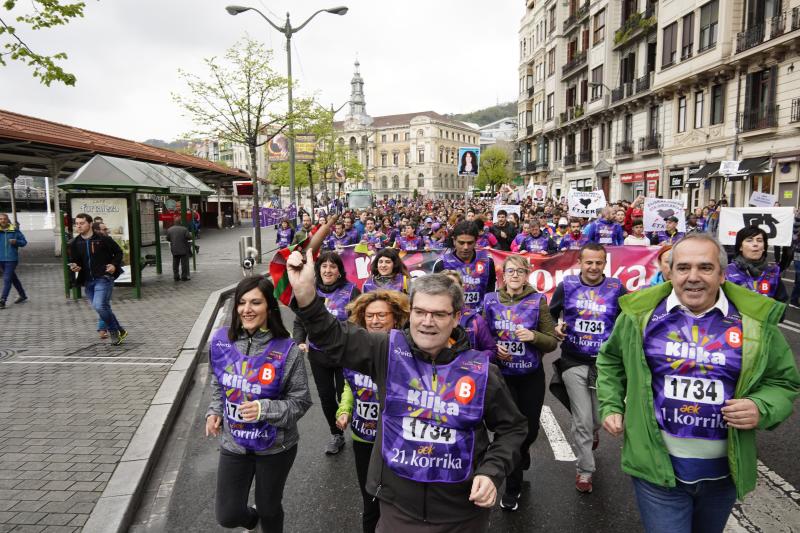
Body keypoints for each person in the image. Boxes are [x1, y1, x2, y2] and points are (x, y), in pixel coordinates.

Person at [286, 258, 527, 532]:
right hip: (397, 510)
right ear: (410, 312)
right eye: (420, 312)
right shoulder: (387, 350)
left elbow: (513, 428)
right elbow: (334, 337)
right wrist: (306, 294)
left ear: (457, 317)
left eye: (438, 314)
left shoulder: (482, 371)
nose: (427, 322)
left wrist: (491, 472)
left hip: (462, 515)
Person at [596, 233, 800, 533]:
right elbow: (611, 360)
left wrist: (761, 407)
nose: (693, 277)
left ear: (721, 274)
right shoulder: (640, 316)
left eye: (705, 267)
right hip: (656, 469)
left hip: (723, 474)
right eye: (683, 267)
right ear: (670, 271)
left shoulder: (753, 321)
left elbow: (783, 381)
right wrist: (612, 405)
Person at [206, 276, 311, 532]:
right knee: (228, 515)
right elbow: (219, 383)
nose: (247, 309)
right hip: (235, 444)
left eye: (255, 302)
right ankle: (254, 521)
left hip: (276, 448)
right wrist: (215, 411)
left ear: (269, 308)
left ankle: (266, 518)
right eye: (241, 303)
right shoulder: (221, 341)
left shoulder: (287, 350)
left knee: (269, 508)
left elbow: (301, 401)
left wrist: (265, 409)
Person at [549, 243, 627, 494]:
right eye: (588, 262)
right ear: (580, 263)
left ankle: (593, 433)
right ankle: (585, 470)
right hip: (573, 360)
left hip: (604, 364)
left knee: (596, 418)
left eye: (599, 262)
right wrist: (555, 327)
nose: (593, 267)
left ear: (605, 264)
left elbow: (629, 319)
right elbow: (549, 314)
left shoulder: (616, 288)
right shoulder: (567, 286)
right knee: (582, 420)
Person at [483, 255, 558, 511]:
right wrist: (495, 348)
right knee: (509, 432)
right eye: (510, 271)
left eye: (520, 272)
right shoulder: (490, 301)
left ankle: (522, 453)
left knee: (530, 431)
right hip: (502, 377)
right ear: (503, 276)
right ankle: (512, 488)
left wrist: (533, 336)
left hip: (530, 376)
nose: (515, 276)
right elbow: (482, 338)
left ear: (527, 275)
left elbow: (552, 341)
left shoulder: (538, 301)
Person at [337, 290, 411, 533]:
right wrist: (344, 409)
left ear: (396, 317)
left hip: (397, 441)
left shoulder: (406, 349)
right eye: (370, 316)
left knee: (396, 504)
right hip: (363, 437)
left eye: (382, 315)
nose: (375, 320)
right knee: (370, 502)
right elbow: (349, 384)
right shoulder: (356, 349)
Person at [293, 251, 360, 455]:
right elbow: (300, 320)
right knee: (327, 398)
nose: (328, 270)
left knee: (346, 395)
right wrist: (299, 341)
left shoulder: (351, 291)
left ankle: (358, 430)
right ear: (318, 269)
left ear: (339, 270)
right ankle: (336, 434)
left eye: (332, 266)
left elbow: (359, 321)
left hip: (343, 355)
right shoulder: (309, 291)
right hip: (318, 355)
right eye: (324, 266)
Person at [68, 213, 127, 345]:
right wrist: (75, 267)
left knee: (99, 305)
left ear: (89, 224)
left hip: (104, 277)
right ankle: (120, 330)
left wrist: (114, 265)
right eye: (77, 223)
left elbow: (118, 252)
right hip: (88, 280)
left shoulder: (102, 238)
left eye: (81, 223)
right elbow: (75, 261)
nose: (79, 226)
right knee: (104, 307)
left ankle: (113, 332)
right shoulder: (75, 243)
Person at [432, 221, 496, 313]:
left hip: (480, 318)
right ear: (454, 241)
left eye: (470, 243)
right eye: (461, 243)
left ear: (476, 241)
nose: (465, 247)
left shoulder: (487, 262)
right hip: (451, 318)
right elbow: (436, 296)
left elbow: (490, 293)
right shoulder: (441, 263)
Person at [725, 226, 788, 303]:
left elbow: (781, 303)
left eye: (759, 240)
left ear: (764, 247)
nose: (755, 244)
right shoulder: (727, 272)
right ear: (740, 247)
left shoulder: (773, 273)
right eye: (749, 240)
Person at [440, 270, 495, 354]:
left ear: (462, 289)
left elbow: (491, 350)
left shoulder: (475, 319)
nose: (450, 290)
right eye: (445, 285)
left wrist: (473, 358)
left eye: (454, 285)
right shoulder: (430, 318)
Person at [0, 212, 28, 309]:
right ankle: (22, 295)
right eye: (0, 219)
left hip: (11, 259)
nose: (2, 220)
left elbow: (24, 242)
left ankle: (3, 300)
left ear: (8, 220)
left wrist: (16, 242)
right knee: (13, 278)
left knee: (7, 279)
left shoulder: (15, 231)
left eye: (4, 219)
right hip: (0, 260)